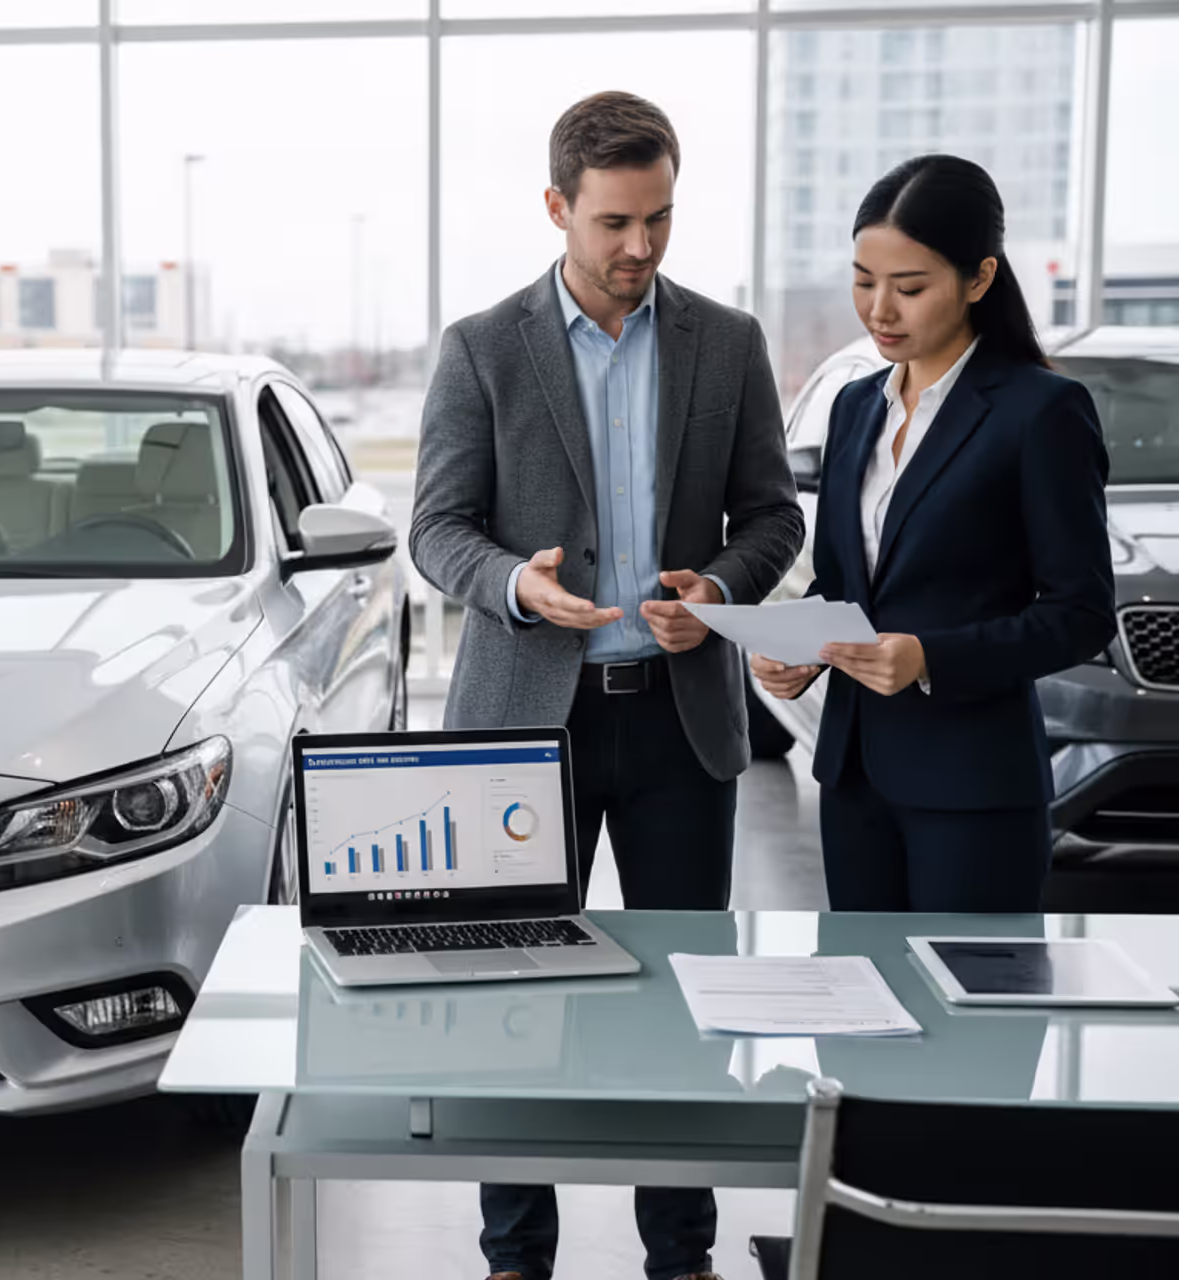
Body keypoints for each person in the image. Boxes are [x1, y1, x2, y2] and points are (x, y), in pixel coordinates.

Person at [411, 90, 804, 1280]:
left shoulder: (725, 342)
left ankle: (679, 1252)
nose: (641, 248)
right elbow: (435, 528)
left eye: (662, 220)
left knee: (689, 999)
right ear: (558, 209)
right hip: (528, 725)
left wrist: (719, 589)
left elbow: (774, 515)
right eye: (617, 223)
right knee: (504, 1000)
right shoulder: (483, 347)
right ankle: (514, 1254)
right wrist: (517, 587)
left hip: (681, 723)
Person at [751, 154, 1114, 914]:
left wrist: (928, 658)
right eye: (863, 281)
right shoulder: (855, 406)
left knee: (973, 1018)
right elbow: (847, 585)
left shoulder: (1040, 412)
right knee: (857, 1019)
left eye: (909, 288)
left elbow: (1079, 613)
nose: (880, 309)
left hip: (973, 787)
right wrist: (802, 654)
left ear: (979, 279)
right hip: (854, 779)